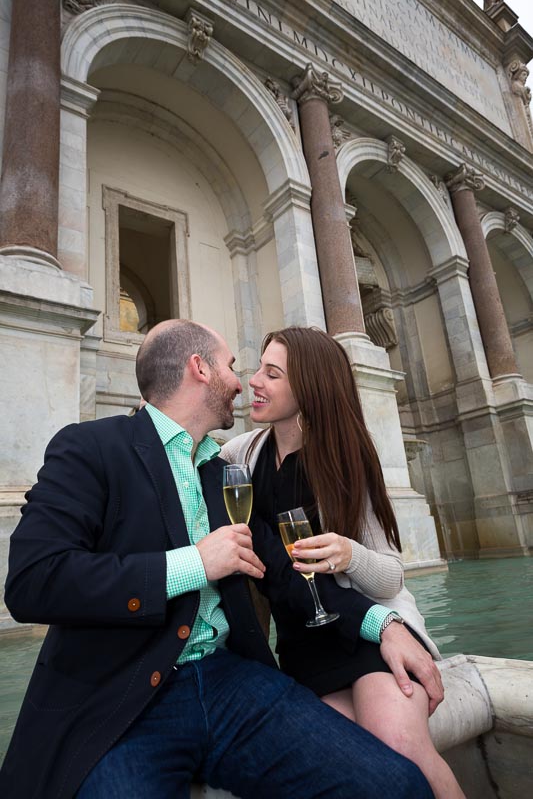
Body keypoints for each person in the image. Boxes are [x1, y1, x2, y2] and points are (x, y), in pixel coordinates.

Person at [0, 319, 438, 799]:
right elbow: (32, 581)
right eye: (231, 365)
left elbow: (280, 571)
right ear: (200, 369)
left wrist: (384, 624)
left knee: (396, 785)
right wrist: (194, 564)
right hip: (124, 700)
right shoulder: (90, 448)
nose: (242, 381)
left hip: (232, 683)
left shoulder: (226, 471)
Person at [221, 326, 464, 799]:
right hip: (303, 648)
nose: (254, 381)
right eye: (258, 368)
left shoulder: (347, 456)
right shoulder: (242, 454)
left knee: (400, 744)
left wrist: (351, 555)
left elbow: (392, 573)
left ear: (308, 387)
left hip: (372, 633)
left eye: (272, 373)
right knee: (348, 763)